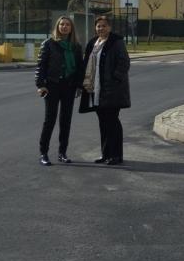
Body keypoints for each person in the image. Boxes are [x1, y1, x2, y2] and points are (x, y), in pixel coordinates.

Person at [79, 15, 131, 165]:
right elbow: (86, 63)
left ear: (109, 27)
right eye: (98, 26)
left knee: (112, 122)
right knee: (103, 122)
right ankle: (105, 153)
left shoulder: (116, 41)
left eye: (104, 26)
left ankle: (116, 155)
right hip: (95, 89)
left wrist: (115, 79)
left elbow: (124, 63)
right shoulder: (93, 43)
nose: (101, 28)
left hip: (112, 90)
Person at [35, 16, 84, 166]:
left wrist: (79, 86)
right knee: (49, 120)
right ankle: (44, 153)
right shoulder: (49, 44)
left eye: (67, 25)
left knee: (65, 120)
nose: (64, 27)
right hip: (52, 85)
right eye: (62, 24)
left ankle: (62, 152)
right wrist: (40, 84)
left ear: (71, 28)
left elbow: (80, 68)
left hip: (69, 86)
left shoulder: (76, 46)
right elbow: (41, 66)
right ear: (57, 26)